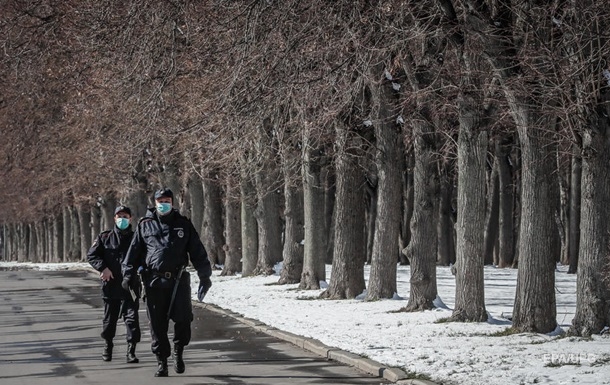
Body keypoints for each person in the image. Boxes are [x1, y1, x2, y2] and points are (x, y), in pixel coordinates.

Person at [122, 188, 212, 377]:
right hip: (153, 281)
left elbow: (197, 251)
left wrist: (205, 276)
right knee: (157, 325)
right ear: (154, 202)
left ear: (173, 201)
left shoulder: (183, 224)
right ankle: (161, 361)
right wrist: (128, 275)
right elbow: (133, 254)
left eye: (167, 200)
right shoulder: (144, 225)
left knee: (184, 320)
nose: (164, 203)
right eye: (160, 200)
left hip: (178, 281)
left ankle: (178, 350)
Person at [87, 205, 141, 363]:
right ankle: (108, 345)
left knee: (132, 320)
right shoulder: (105, 237)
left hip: (130, 285)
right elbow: (92, 255)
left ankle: (131, 351)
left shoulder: (136, 238)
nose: (122, 219)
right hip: (111, 285)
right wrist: (103, 268)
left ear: (130, 218)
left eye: (125, 216)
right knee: (109, 320)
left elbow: (144, 257)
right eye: (119, 216)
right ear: (114, 218)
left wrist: (139, 271)